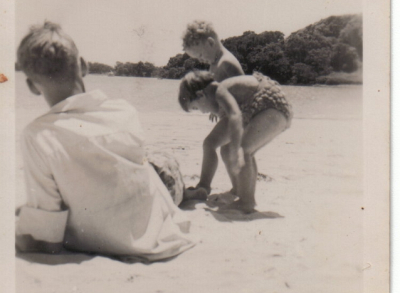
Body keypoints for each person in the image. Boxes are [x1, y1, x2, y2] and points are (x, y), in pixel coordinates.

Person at [15, 22, 195, 261]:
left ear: (31, 86)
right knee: (157, 163)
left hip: (100, 242)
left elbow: (45, 243)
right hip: (161, 233)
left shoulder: (38, 136)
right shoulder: (124, 111)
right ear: (83, 66)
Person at [179, 70, 293, 213]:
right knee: (227, 149)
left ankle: (246, 201)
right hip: (267, 108)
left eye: (196, 107)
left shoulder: (221, 92)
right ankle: (239, 190)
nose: (202, 112)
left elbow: (235, 115)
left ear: (201, 95)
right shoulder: (221, 92)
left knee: (242, 150)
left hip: (272, 107)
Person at [182, 21, 244, 197]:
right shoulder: (215, 62)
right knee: (226, 150)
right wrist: (215, 110)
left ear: (210, 43)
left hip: (239, 115)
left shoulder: (226, 63)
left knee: (209, 144)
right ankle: (238, 188)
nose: (201, 59)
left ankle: (204, 186)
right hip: (231, 115)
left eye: (201, 55)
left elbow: (243, 91)